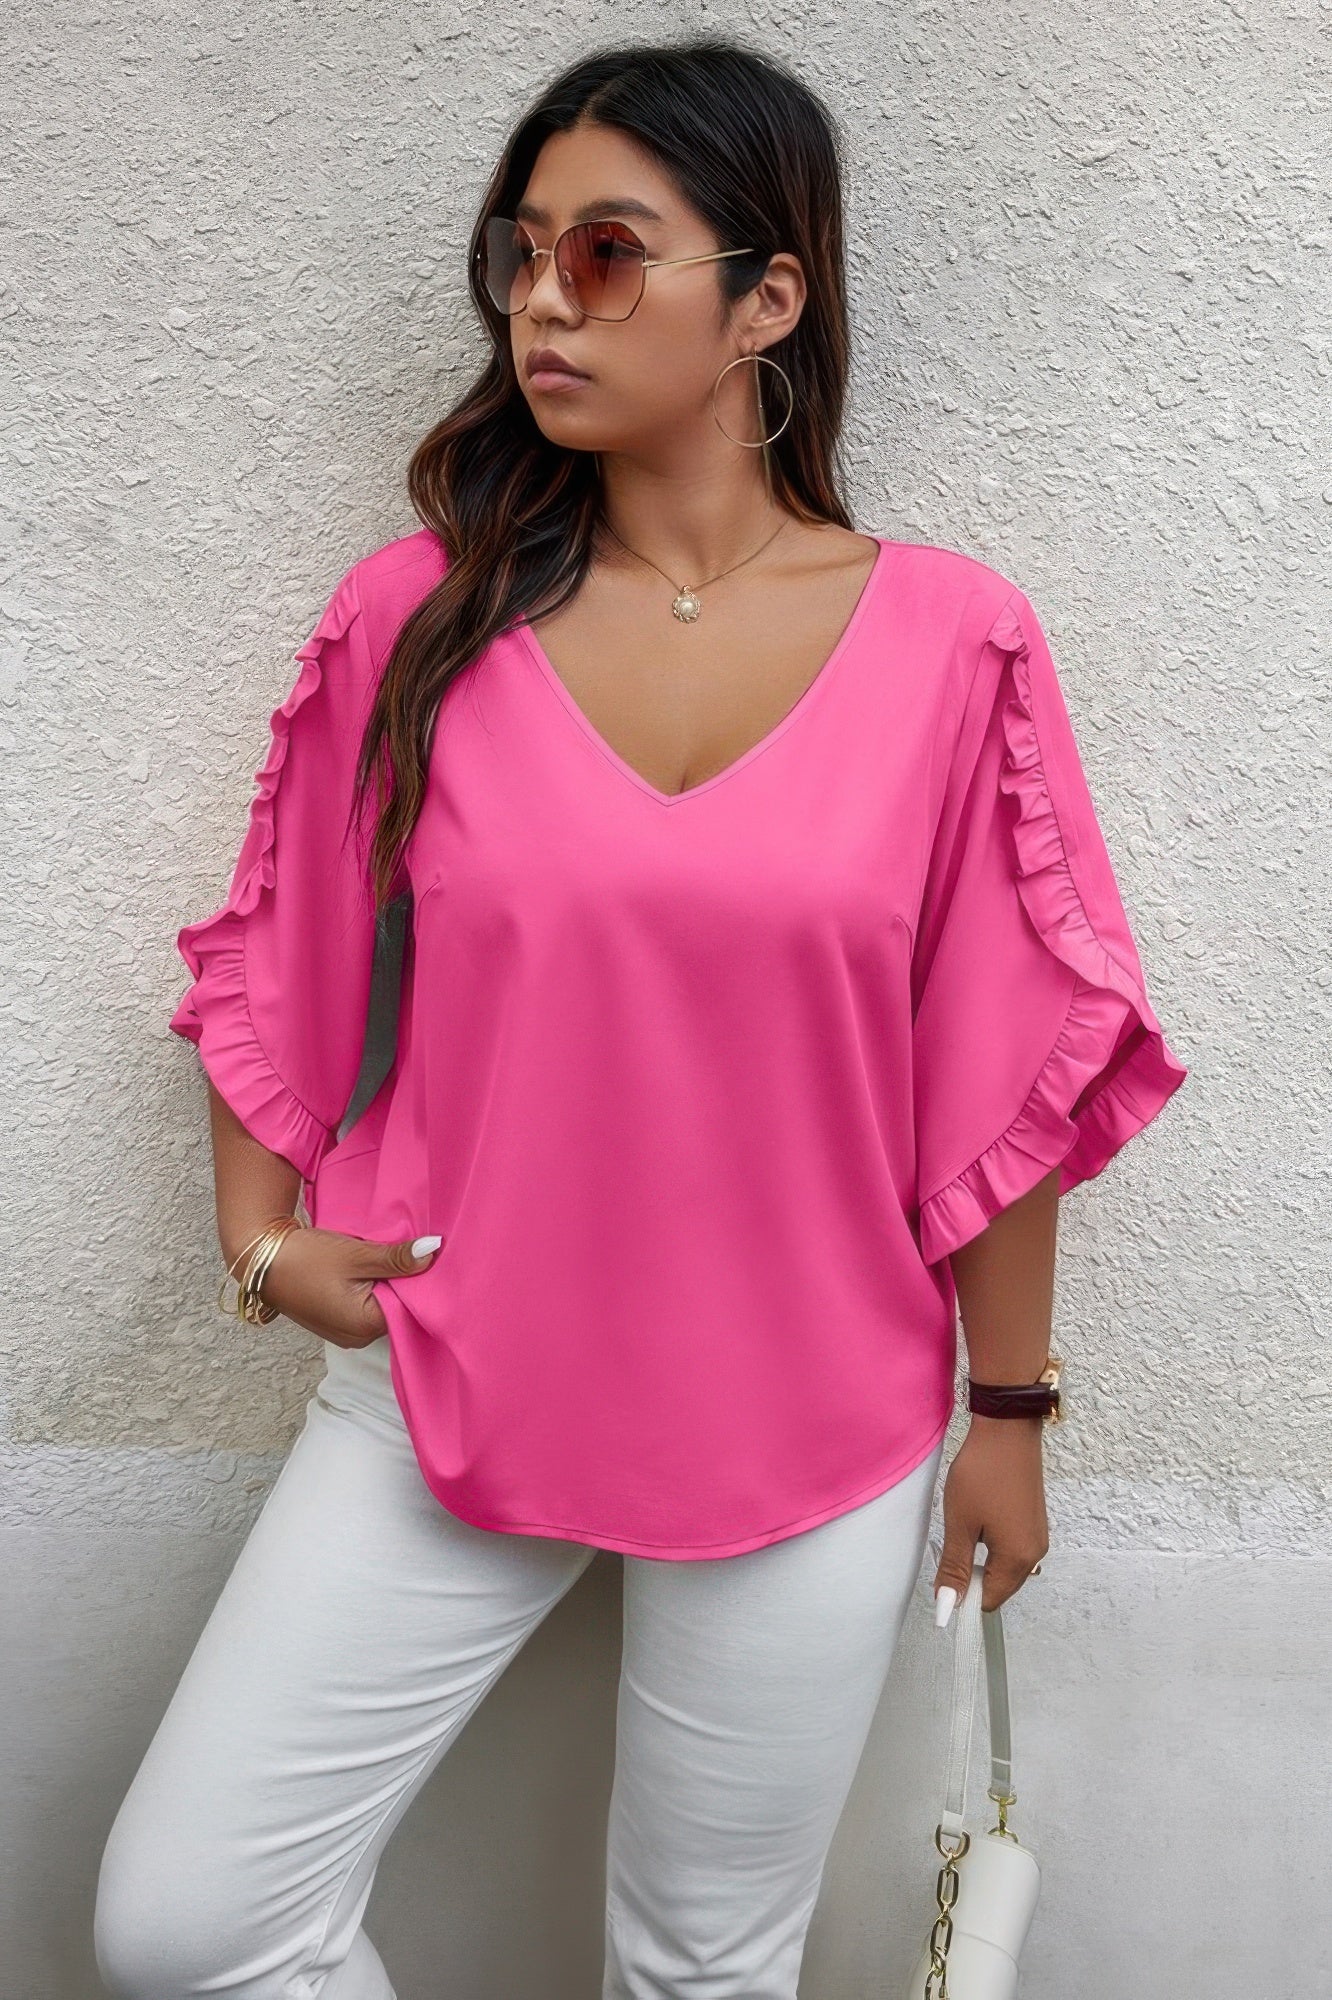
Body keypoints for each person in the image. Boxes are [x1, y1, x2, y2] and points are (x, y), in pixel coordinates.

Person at [94, 35, 1189, 2000]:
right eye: (518, 254)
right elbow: (277, 944)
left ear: (768, 300)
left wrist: (1010, 1414)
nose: (541, 301)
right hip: (450, 1371)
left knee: (703, 1971)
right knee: (188, 1923)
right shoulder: (419, 617)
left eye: (604, 254)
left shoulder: (954, 639)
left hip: (809, 1407)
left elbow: (1004, 1055)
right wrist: (262, 1241)